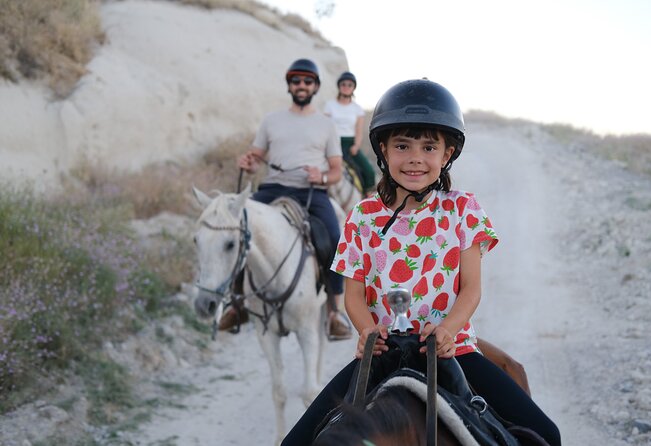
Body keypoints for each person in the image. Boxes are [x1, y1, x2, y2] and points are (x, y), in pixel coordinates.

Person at [281, 79, 560, 445]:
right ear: (383, 149)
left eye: (429, 147)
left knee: (546, 434)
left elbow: (471, 288)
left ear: (446, 155)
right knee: (296, 442)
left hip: (451, 348)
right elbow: (354, 294)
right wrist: (367, 330)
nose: (415, 157)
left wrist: (447, 331)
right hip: (382, 354)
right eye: (402, 145)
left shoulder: (463, 209)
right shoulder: (363, 216)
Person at [231, 58, 352, 340]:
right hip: (273, 186)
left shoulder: (325, 124)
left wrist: (320, 177)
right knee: (237, 228)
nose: (301, 86)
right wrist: (248, 164)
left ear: (316, 86)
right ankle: (237, 302)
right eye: (296, 81)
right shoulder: (271, 120)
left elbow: (336, 171)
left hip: (311, 191)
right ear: (289, 85)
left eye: (307, 81)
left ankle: (334, 310)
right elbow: (256, 157)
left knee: (335, 238)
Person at [323, 71, 376, 195]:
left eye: (349, 85)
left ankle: (367, 199)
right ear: (339, 86)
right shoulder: (330, 105)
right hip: (333, 144)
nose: (346, 86)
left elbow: (358, 130)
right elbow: (325, 127)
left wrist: (356, 146)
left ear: (353, 88)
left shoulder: (357, 109)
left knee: (369, 171)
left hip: (350, 144)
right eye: (343, 84)